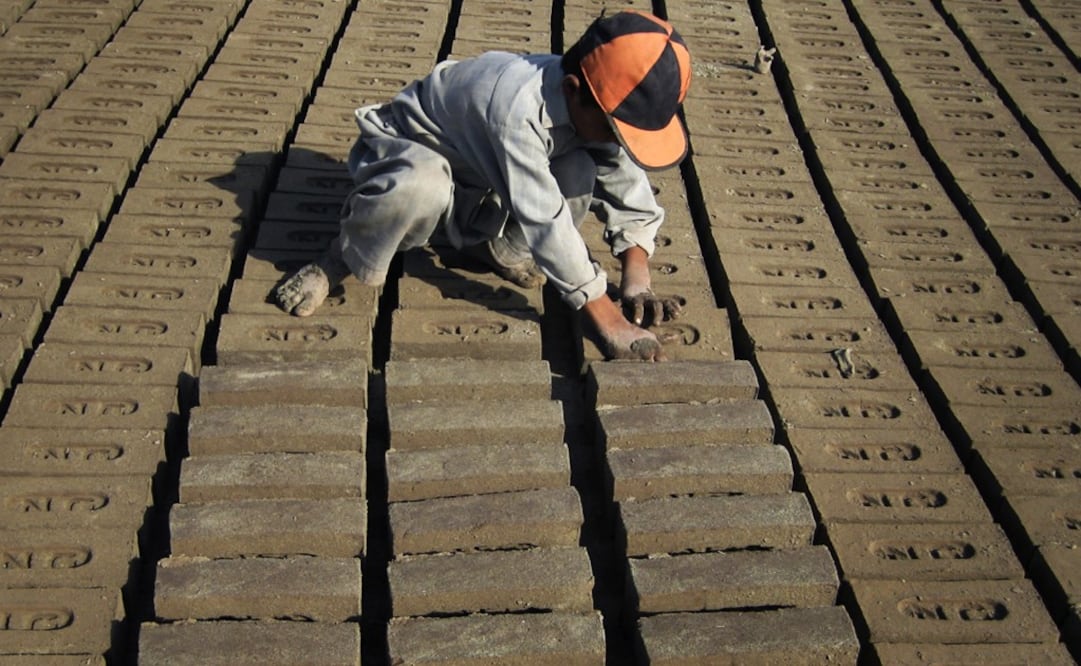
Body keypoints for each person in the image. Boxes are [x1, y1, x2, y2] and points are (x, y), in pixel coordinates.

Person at [275, 9, 691, 360]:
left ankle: (496, 249)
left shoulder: (594, 102)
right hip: (409, 157)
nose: (617, 140)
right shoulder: (514, 110)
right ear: (572, 90)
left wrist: (637, 279)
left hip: (480, 177)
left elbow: (625, 182)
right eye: (614, 128)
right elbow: (545, 218)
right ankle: (341, 256)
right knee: (422, 185)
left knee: (581, 167)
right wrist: (608, 320)